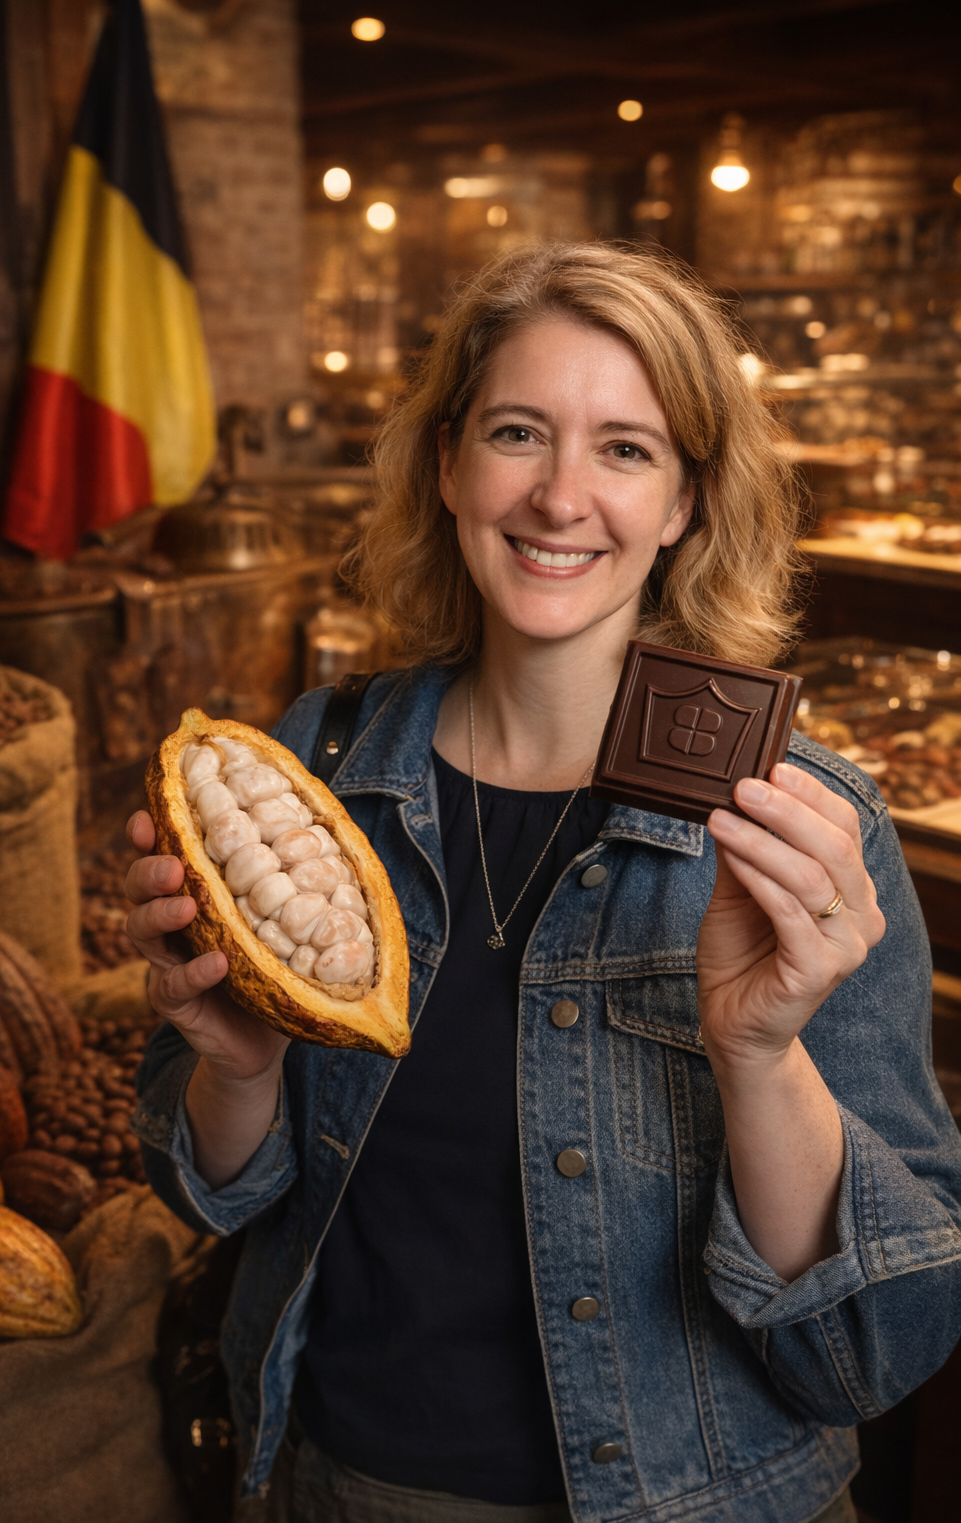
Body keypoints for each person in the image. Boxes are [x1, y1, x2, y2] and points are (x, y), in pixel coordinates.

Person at [126, 242, 961, 1523]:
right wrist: (237, 1071)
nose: (561, 496)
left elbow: (875, 1351)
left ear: (684, 501)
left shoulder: (804, 830)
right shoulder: (315, 766)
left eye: (626, 449)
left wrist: (758, 1053)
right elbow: (224, 1198)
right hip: (338, 1485)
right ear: (450, 462)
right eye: (520, 432)